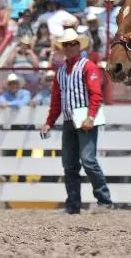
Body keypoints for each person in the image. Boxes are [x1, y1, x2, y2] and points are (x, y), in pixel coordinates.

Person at [41, 28, 113, 214]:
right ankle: (73, 205)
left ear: (78, 45)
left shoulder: (88, 66)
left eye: (72, 44)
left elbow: (96, 94)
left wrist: (91, 116)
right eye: (65, 44)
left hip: (85, 118)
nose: (68, 47)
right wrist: (49, 121)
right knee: (69, 164)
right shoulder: (61, 71)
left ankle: (104, 200)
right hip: (69, 119)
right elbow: (56, 101)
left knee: (88, 160)